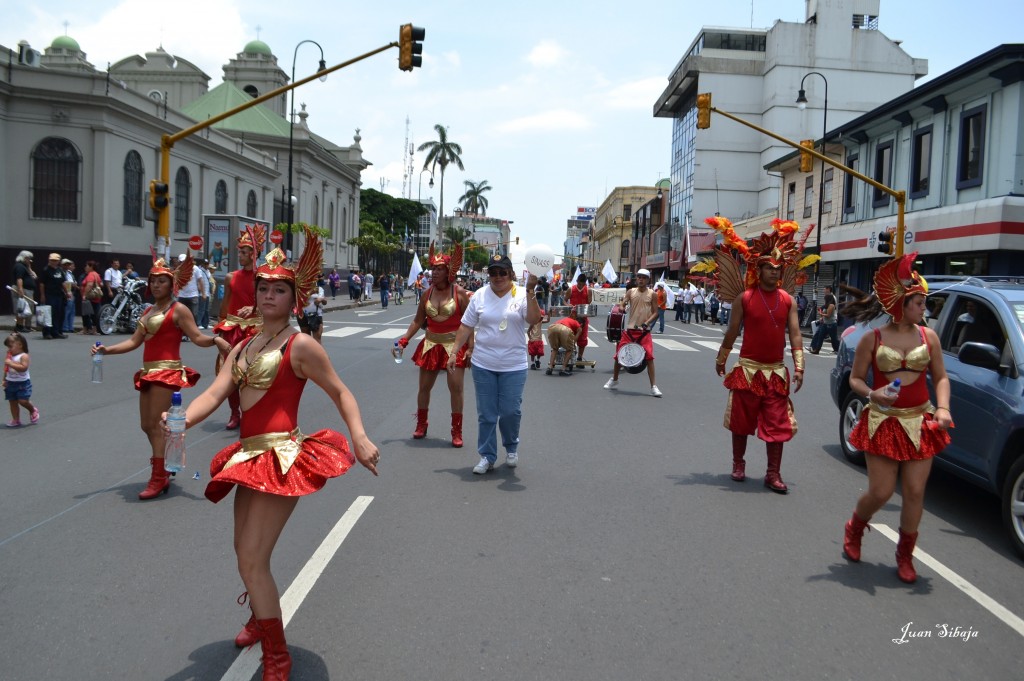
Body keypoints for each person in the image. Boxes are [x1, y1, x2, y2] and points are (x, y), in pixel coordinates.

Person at [165, 231, 379, 678]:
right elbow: (216, 391)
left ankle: (276, 654)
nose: (268, 295)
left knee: (252, 558)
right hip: (249, 456)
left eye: (278, 289)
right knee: (242, 550)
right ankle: (258, 619)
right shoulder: (244, 346)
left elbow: (340, 392)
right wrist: (181, 420)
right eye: (263, 287)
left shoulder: (299, 346)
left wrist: (358, 436)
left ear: (294, 297)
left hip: (282, 457)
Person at [840, 253, 952, 584]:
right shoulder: (871, 340)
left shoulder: (928, 337)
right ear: (902, 303)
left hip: (919, 421)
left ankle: (905, 556)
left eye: (924, 303)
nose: (924, 309)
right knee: (882, 492)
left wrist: (943, 408)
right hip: (884, 421)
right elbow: (856, 380)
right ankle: (855, 527)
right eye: (918, 302)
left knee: (916, 491)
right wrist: (872, 394)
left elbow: (942, 378)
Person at [92, 254, 228, 500]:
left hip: (167, 371)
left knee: (156, 425)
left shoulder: (179, 310)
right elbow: (134, 341)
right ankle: (165, 464)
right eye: (153, 280)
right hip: (148, 371)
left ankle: (159, 477)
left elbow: (197, 337)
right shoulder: (148, 310)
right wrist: (107, 350)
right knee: (146, 425)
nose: (155, 285)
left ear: (171, 285)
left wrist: (216, 340)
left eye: (161, 281)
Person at [709, 217, 810, 493]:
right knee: (741, 422)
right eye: (770, 268)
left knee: (778, 424)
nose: (775, 273)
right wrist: (722, 358)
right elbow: (732, 331)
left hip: (776, 372)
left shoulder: (787, 300)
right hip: (748, 370)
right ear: (759, 269)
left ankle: (773, 473)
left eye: (779, 269)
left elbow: (796, 333)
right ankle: (738, 464)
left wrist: (799, 366)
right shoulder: (745, 298)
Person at [449, 255, 541, 474]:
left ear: (510, 273)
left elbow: (533, 318)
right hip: (484, 363)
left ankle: (511, 447)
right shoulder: (480, 295)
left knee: (510, 411)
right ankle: (487, 456)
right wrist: (454, 352)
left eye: (502, 272)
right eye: (493, 272)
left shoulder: (520, 293)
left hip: (513, 364)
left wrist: (530, 291)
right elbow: (466, 326)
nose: (497, 277)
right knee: (487, 414)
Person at [395, 243, 472, 446]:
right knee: (424, 388)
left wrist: (470, 348)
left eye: (439, 269)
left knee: (455, 389)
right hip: (430, 344)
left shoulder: (460, 294)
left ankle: (457, 431)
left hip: (453, 347)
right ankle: (421, 424)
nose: (434, 273)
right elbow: (417, 321)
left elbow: (469, 323)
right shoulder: (427, 294)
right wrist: (404, 340)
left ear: (449, 272)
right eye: (433, 269)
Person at [214, 227, 265, 430]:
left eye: (245, 252)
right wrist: (219, 327)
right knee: (229, 374)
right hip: (232, 329)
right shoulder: (230, 277)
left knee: (253, 375)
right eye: (240, 252)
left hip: (255, 330)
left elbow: (268, 301)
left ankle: (251, 412)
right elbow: (225, 303)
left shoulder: (262, 277)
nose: (241, 256)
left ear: (254, 253)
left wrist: (254, 307)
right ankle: (235, 413)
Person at [603, 269, 662, 397]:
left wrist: (647, 322)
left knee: (650, 358)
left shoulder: (653, 294)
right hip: (630, 330)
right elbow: (622, 303)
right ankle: (614, 379)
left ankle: (653, 387)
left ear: (648, 280)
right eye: (639, 277)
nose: (640, 279)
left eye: (643, 278)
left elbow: (656, 312)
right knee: (619, 355)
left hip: (644, 331)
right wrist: (622, 307)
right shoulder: (631, 292)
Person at [4, 332, 39, 427]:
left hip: (22, 383)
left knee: (23, 401)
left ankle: (32, 410)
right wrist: (4, 379)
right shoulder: (10, 356)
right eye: (8, 347)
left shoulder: (24, 356)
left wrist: (11, 363)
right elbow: (6, 369)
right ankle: (16, 419)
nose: (9, 349)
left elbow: (23, 368)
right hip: (11, 382)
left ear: (20, 345)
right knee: (12, 401)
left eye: (10, 347)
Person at [40, 253, 68, 339]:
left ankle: (56, 332)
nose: (53, 262)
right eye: (52, 260)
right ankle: (47, 332)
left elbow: (63, 282)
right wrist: (42, 295)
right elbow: (42, 284)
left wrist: (67, 292)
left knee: (57, 313)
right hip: (49, 294)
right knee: (48, 313)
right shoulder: (46, 270)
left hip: (58, 295)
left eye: (55, 260)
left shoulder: (59, 270)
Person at [546, 311, 582, 376]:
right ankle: (563, 369)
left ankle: (550, 367)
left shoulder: (564, 319)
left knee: (555, 348)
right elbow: (579, 332)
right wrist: (573, 343)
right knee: (570, 349)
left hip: (553, 327)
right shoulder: (576, 322)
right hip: (564, 329)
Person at [567, 272, 594, 360]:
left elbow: (589, 302)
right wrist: (568, 305)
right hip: (572, 318)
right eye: (579, 283)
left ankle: (580, 357)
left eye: (583, 284)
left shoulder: (588, 290)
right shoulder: (571, 289)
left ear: (585, 283)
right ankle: (571, 356)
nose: (581, 286)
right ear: (577, 281)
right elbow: (564, 300)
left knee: (583, 339)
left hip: (583, 318)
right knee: (571, 337)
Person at [11, 251, 37, 333]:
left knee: (29, 308)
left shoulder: (25, 267)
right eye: (28, 258)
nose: (30, 260)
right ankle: (19, 326)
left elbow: (35, 277)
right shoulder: (19, 266)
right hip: (23, 290)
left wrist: (29, 268)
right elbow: (19, 278)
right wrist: (20, 290)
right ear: (24, 258)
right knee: (21, 308)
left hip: (28, 290)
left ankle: (27, 326)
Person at [809, 285, 840, 354]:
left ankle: (837, 349)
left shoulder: (832, 303)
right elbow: (824, 310)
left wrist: (821, 314)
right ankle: (816, 349)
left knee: (833, 338)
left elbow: (828, 315)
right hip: (825, 323)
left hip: (831, 323)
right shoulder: (827, 304)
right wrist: (821, 313)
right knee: (820, 336)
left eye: (825, 289)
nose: (824, 291)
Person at [299, 278, 326, 343]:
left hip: (315, 315)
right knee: (306, 338)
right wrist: (310, 292)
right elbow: (299, 299)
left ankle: (317, 353)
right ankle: (308, 352)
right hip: (302, 314)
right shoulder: (300, 288)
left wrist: (322, 299)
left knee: (317, 338)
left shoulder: (319, 289)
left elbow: (322, 302)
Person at [80, 261, 103, 335]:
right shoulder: (97, 274)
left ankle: (86, 329)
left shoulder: (91, 274)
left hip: (90, 297)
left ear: (91, 267)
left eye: (87, 266)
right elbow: (101, 284)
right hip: (96, 298)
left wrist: (84, 295)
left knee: (86, 313)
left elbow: (89, 285)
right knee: (94, 313)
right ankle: (93, 329)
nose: (85, 268)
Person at [61, 259, 78, 334]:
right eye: (67, 265)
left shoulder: (69, 273)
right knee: (67, 310)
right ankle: (65, 327)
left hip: (72, 293)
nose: (69, 266)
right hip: (67, 293)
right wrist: (73, 285)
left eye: (69, 265)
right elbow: (67, 283)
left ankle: (70, 327)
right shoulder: (63, 273)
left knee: (72, 311)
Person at [194, 258, 211, 330]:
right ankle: (198, 323)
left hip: (207, 293)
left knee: (206, 309)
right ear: (202, 264)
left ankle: (205, 323)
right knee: (201, 309)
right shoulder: (200, 271)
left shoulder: (207, 271)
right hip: (202, 294)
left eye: (207, 264)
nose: (207, 265)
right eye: (205, 264)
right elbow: (199, 282)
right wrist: (201, 292)